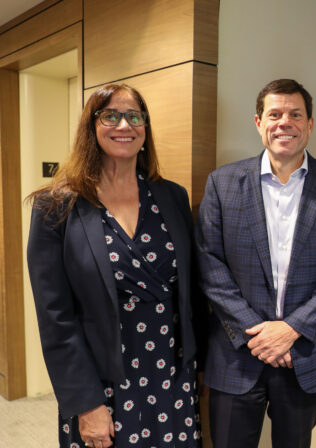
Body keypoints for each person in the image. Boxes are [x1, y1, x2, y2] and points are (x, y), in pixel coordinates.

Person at [27, 83, 206, 448]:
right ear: (91, 127)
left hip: (171, 374)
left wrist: (198, 367)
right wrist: (85, 402)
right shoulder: (55, 207)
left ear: (145, 127)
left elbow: (192, 291)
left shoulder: (173, 196)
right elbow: (55, 318)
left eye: (134, 116)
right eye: (110, 115)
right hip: (102, 382)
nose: (124, 125)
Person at [195, 78, 316, 447]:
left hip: (305, 353)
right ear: (258, 122)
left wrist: (291, 330)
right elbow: (210, 265)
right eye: (274, 114)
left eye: (295, 114)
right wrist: (260, 333)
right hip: (238, 352)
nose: (284, 122)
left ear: (310, 124)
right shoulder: (222, 184)